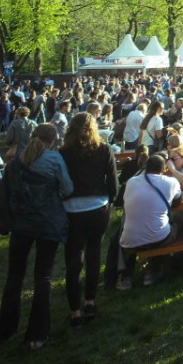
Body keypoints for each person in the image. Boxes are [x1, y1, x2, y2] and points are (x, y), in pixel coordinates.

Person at [0, 123, 73, 350]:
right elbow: (67, 189)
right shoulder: (54, 160)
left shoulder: (17, 160)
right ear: (52, 140)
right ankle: (37, 334)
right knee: (43, 276)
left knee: (14, 276)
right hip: (47, 222)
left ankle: (5, 330)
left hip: (21, 222)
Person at [60, 112, 118, 327]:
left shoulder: (64, 153)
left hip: (74, 208)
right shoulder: (103, 149)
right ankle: (89, 301)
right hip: (96, 207)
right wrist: (110, 200)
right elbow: (113, 181)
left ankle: (76, 310)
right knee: (93, 255)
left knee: (74, 258)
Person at [117, 154, 181, 288]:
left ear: (146, 167)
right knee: (173, 224)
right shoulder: (171, 182)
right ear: (164, 168)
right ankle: (153, 271)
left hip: (129, 240)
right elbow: (177, 202)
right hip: (158, 238)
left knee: (135, 228)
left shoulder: (132, 182)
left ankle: (126, 277)